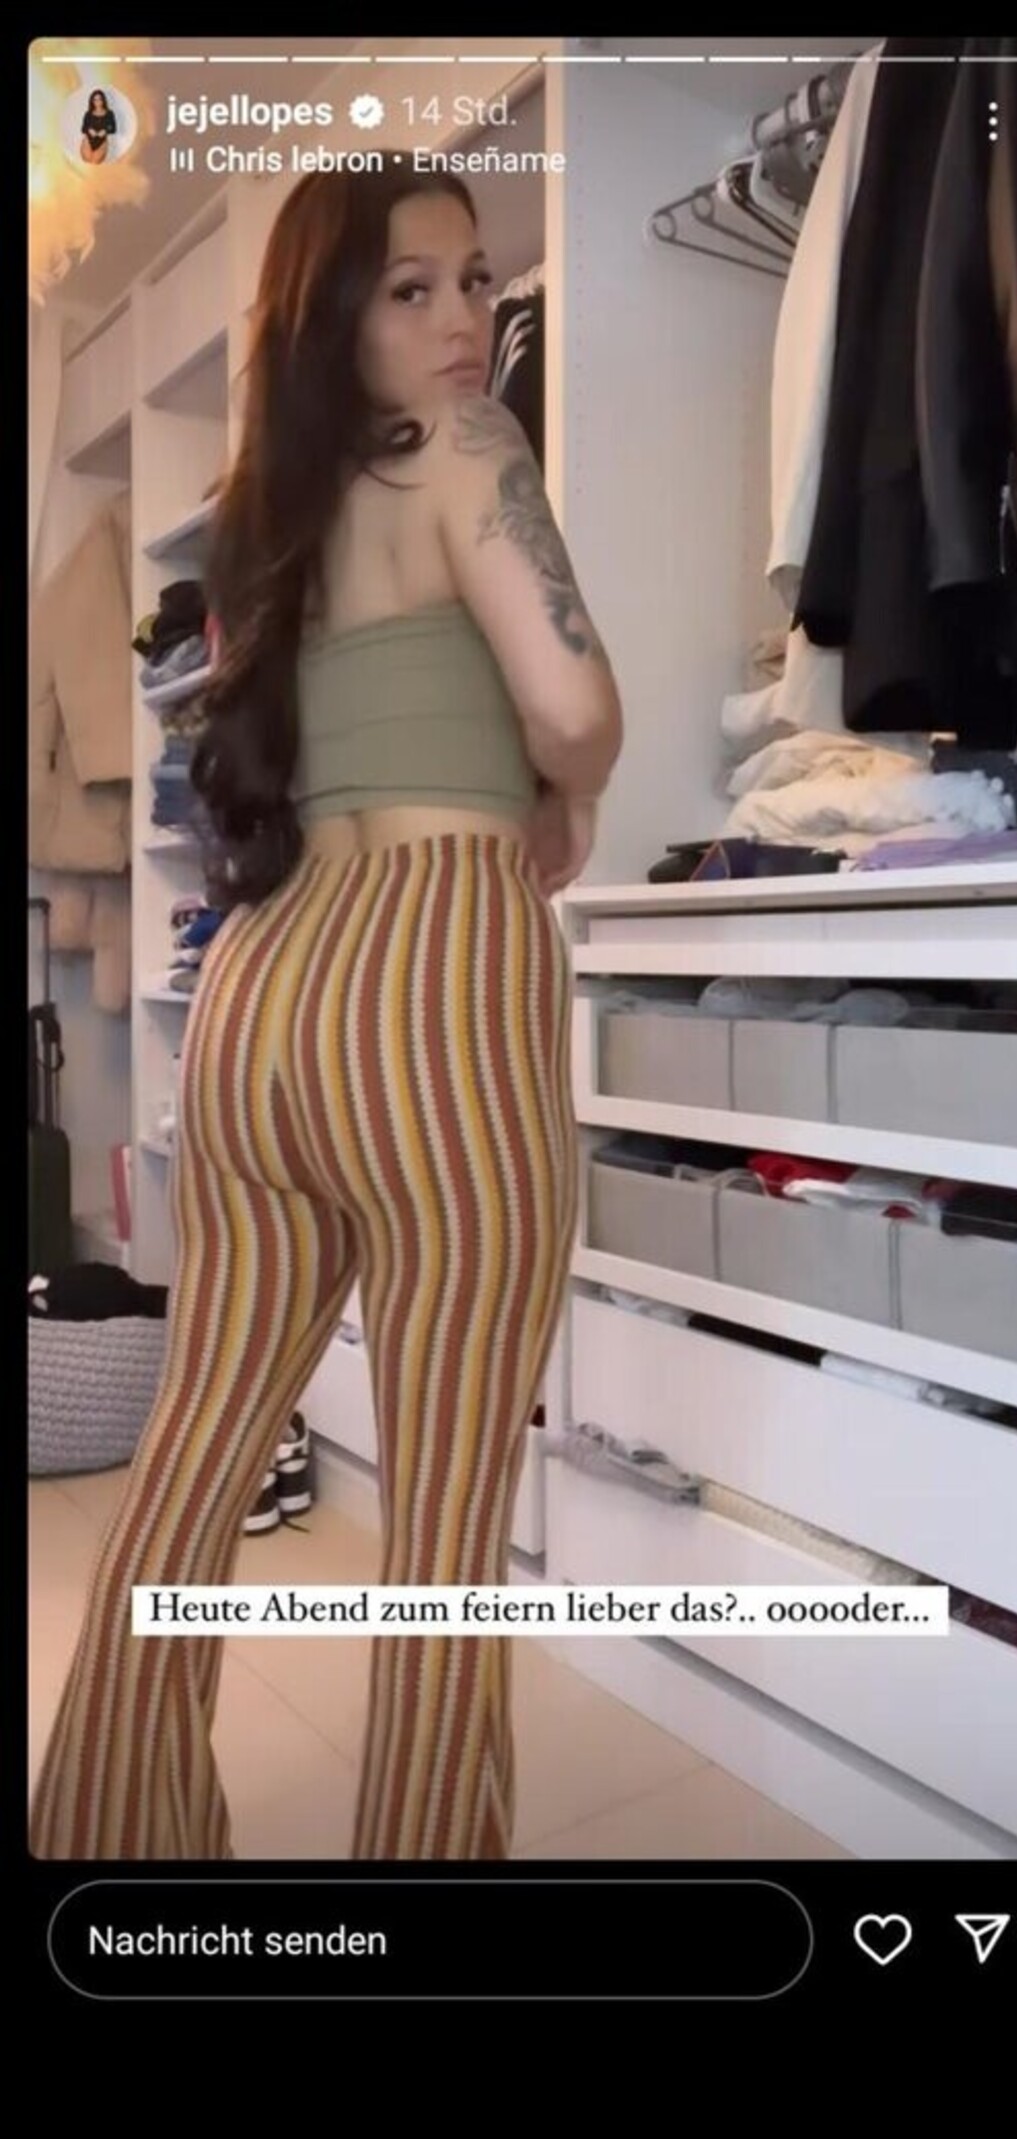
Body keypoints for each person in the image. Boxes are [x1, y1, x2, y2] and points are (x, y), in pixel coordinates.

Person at [30, 158, 623, 1861]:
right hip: (438, 979)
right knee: (443, 1525)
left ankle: (106, 1841)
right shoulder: (475, 448)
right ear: (334, 318)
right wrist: (571, 783)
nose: (464, 319)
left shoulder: (266, 519)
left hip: (263, 985)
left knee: (192, 1455)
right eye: (410, 287)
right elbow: (576, 703)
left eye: (476, 280)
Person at [79, 89, 116, 164]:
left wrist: (105, 130)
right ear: (92, 101)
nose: (97, 102)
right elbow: (83, 129)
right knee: (87, 161)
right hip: (88, 140)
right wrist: (89, 130)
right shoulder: (88, 114)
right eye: (95, 100)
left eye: (99, 99)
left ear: (103, 100)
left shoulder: (109, 113)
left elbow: (113, 128)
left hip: (101, 141)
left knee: (94, 162)